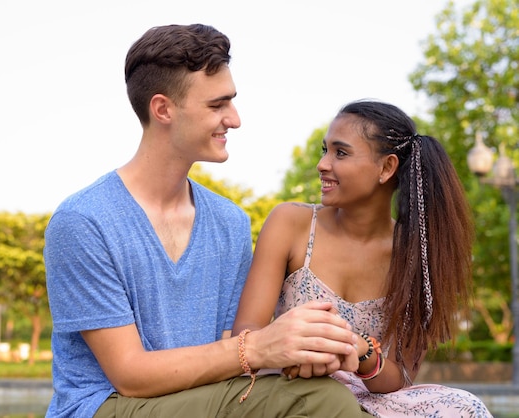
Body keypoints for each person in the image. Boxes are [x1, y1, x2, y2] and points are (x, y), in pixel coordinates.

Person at [44, 24, 374, 417]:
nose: (234, 119)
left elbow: (229, 355)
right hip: (108, 405)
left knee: (319, 389)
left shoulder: (228, 221)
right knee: (320, 402)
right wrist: (258, 346)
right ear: (163, 109)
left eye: (231, 102)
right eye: (217, 105)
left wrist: (316, 348)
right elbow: (129, 375)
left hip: (197, 398)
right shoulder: (84, 221)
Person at [233, 99, 493, 417]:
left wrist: (363, 352)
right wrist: (296, 349)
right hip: (293, 390)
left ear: (386, 168)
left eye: (340, 153)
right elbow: (245, 333)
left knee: (467, 408)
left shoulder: (415, 257)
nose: (322, 164)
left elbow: (400, 378)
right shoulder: (291, 223)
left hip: (373, 403)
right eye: (324, 150)